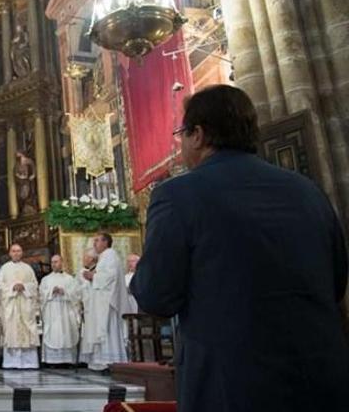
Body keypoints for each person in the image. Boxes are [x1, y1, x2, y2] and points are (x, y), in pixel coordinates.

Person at [131, 85, 349, 412]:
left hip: (231, 388)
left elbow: (155, 297)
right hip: (321, 382)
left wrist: (140, 274)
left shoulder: (177, 195)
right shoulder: (308, 191)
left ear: (198, 135)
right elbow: (336, 281)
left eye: (181, 134)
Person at [81, 232, 130, 371]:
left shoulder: (110, 255)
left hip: (107, 303)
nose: (94, 243)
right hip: (102, 301)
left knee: (108, 330)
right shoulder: (104, 257)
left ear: (106, 242)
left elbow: (110, 276)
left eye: (97, 240)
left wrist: (93, 276)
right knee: (102, 330)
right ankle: (101, 361)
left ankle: (110, 360)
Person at [0, 244, 39, 369]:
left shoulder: (28, 268)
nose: (16, 253)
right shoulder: (5, 268)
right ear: (10, 253)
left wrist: (24, 287)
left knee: (26, 331)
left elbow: (34, 284)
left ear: (22, 253)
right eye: (13, 251)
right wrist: (12, 288)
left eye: (18, 251)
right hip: (11, 307)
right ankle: (12, 362)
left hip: (25, 306)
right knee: (12, 331)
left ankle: (29, 362)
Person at [39, 255, 81, 365]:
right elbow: (41, 295)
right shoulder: (46, 279)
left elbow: (76, 295)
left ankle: (68, 360)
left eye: (56, 262)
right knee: (53, 333)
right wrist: (51, 292)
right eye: (52, 262)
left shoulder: (70, 279)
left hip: (66, 311)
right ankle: (52, 361)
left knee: (67, 333)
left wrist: (65, 292)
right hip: (52, 311)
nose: (54, 264)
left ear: (62, 262)